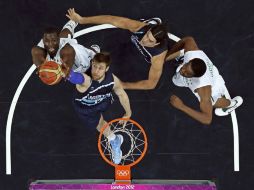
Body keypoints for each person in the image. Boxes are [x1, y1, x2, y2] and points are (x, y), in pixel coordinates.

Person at [66, 8, 170, 90]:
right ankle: (155, 22)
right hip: (148, 25)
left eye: (150, 41)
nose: (144, 40)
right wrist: (81, 20)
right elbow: (111, 19)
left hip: (155, 54)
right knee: (147, 25)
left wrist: (124, 85)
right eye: (147, 35)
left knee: (168, 58)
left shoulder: (157, 56)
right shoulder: (140, 28)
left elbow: (151, 84)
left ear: (157, 43)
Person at [62, 52, 132, 164]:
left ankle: (114, 140)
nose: (96, 71)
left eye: (100, 68)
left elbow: (122, 94)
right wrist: (66, 73)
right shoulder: (86, 79)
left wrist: (128, 113)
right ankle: (115, 139)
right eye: (94, 66)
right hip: (86, 107)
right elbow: (77, 77)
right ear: (92, 63)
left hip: (103, 100)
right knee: (99, 125)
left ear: (107, 68)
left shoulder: (112, 80)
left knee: (106, 105)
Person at [166, 36, 243, 125]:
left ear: (195, 76)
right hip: (201, 74)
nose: (182, 70)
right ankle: (183, 62)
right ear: (190, 61)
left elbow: (207, 119)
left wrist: (181, 106)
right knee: (175, 81)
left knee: (213, 103)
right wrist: (166, 57)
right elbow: (187, 39)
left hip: (214, 87)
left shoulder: (204, 89)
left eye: (187, 72)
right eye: (185, 66)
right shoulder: (191, 52)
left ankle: (231, 103)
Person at [31, 20, 99, 74]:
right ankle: (73, 21)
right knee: (65, 32)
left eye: (54, 40)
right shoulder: (38, 50)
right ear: (43, 40)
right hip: (62, 55)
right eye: (47, 41)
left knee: (92, 61)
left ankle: (94, 50)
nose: (50, 44)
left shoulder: (67, 51)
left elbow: (66, 73)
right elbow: (38, 61)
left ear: (58, 40)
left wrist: (60, 73)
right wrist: (41, 68)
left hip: (78, 62)